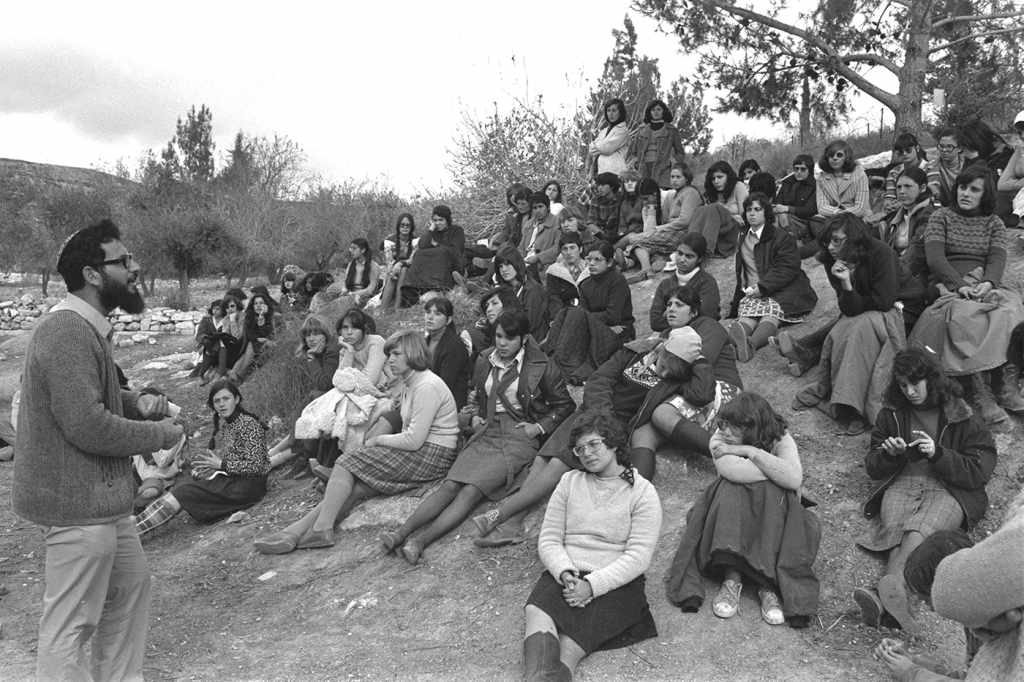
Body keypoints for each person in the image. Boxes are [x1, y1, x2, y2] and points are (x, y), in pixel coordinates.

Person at [14, 219, 184, 679]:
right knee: (71, 623)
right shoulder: (66, 331)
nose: (135, 268)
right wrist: (161, 434)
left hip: (105, 505)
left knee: (131, 587)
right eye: (124, 260)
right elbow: (86, 424)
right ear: (93, 274)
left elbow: (86, 397)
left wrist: (136, 402)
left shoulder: (87, 327)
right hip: (77, 507)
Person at [474, 321, 714, 547]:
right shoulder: (633, 353)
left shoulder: (682, 377)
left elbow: (703, 393)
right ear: (662, 348)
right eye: (664, 365)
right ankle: (514, 524)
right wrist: (600, 414)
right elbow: (600, 379)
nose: (663, 374)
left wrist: (700, 360)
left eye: (670, 372)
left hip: (613, 427)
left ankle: (500, 514)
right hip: (593, 411)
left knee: (557, 464)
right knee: (542, 459)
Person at [380, 310, 573, 565]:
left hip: (517, 438)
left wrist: (538, 428)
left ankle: (420, 542)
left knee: (470, 491)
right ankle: (400, 534)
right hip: (487, 431)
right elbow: (479, 394)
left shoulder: (542, 366)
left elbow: (565, 406)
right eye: (498, 337)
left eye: (509, 338)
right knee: (450, 485)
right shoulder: (485, 359)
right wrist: (475, 415)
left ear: (524, 339)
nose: (502, 343)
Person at [254, 331, 461, 553]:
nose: (390, 359)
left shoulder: (426, 386)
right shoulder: (412, 383)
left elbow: (414, 440)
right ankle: (294, 532)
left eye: (396, 354)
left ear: (413, 353)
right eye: (389, 354)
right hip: (427, 451)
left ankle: (321, 529)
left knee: (346, 461)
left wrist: (378, 441)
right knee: (356, 488)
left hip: (432, 455)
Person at [853, 347, 996, 633]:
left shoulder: (961, 414)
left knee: (919, 531)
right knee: (898, 532)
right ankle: (895, 605)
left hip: (949, 489)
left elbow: (979, 470)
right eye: (903, 385)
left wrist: (939, 454)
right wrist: (890, 454)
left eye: (915, 383)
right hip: (902, 483)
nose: (909, 391)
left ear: (931, 379)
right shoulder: (891, 413)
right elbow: (873, 466)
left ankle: (882, 599)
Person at [522, 411, 662, 680]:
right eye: (580, 448)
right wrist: (564, 571)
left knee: (567, 649)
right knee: (536, 613)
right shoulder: (569, 481)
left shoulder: (642, 492)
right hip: (567, 576)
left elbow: (638, 556)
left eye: (594, 444)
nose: (586, 453)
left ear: (613, 443)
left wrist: (592, 586)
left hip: (616, 583)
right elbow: (550, 538)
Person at [666, 392, 820, 628]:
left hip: (770, 512)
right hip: (734, 508)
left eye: (733, 428)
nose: (725, 431)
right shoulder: (719, 439)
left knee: (778, 494)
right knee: (733, 486)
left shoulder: (780, 436)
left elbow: (792, 477)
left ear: (753, 427)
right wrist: (777, 471)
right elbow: (736, 472)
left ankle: (767, 585)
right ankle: (732, 576)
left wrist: (749, 452)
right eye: (723, 424)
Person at [908, 165, 1024, 425]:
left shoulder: (994, 222)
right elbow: (935, 259)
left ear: (985, 194)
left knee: (1010, 310)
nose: (966, 194)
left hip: (985, 280)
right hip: (950, 282)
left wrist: (988, 282)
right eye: (963, 187)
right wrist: (959, 285)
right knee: (963, 315)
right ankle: (981, 391)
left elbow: (997, 257)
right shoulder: (941, 217)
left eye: (974, 189)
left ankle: (1007, 387)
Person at [877, 492, 1024, 681]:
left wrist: (912, 673)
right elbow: (975, 673)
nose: (930, 608)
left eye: (928, 598)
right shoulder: (979, 617)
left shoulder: (989, 619)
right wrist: (915, 661)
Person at [791, 214, 903, 436]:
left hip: (898, 308)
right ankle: (840, 396)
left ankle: (857, 408)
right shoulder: (833, 260)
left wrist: (853, 295)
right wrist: (846, 284)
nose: (831, 247)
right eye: (828, 241)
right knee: (843, 328)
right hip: (864, 310)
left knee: (859, 330)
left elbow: (884, 300)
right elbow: (848, 307)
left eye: (837, 240)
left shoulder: (881, 253)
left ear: (854, 238)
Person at [136, 380, 270, 536]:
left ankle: (132, 533)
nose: (221, 404)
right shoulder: (230, 424)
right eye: (217, 401)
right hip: (235, 481)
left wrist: (222, 465)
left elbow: (257, 466)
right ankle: (132, 530)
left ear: (237, 399)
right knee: (186, 488)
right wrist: (217, 467)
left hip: (247, 488)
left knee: (184, 492)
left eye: (226, 399)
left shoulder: (248, 424)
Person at [726, 193, 817, 363]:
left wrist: (763, 287)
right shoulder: (742, 236)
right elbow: (743, 273)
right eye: (748, 210)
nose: (752, 213)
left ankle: (750, 345)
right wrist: (738, 301)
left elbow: (788, 267)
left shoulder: (781, 236)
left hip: (781, 290)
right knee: (746, 317)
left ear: (766, 213)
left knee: (770, 314)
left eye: (757, 209)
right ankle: (735, 345)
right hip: (754, 291)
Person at [544, 241, 635, 384]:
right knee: (565, 313)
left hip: (619, 331)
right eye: (589, 259)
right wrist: (586, 320)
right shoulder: (585, 284)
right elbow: (585, 313)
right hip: (596, 328)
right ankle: (552, 355)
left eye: (597, 260)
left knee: (574, 313)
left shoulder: (617, 281)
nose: (591, 264)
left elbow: (613, 316)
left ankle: (559, 361)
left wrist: (586, 319)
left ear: (609, 262)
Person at [266, 315, 342, 469]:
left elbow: (325, 383)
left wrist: (312, 359)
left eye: (316, 333)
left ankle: (268, 462)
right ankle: (267, 457)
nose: (311, 338)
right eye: (308, 335)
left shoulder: (332, 351)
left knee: (299, 434)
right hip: (325, 399)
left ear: (325, 334)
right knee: (295, 434)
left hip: (336, 400)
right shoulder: (322, 351)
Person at [882, 166, 936, 333]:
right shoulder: (896, 217)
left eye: (908, 186)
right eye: (898, 187)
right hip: (898, 272)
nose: (901, 192)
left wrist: (887, 275)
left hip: (917, 278)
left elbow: (916, 255)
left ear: (922, 188)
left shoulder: (931, 215)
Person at [628, 163, 702, 278]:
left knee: (634, 239)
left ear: (686, 178)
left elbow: (685, 221)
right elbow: (667, 220)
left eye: (678, 177)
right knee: (639, 243)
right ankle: (647, 269)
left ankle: (641, 265)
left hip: (683, 232)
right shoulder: (675, 195)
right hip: (672, 231)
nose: (674, 180)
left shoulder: (690, 192)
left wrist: (660, 229)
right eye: (672, 177)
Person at [650, 232, 722, 327]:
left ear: (700, 259)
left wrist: (669, 315)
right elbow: (655, 322)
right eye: (679, 253)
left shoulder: (707, 283)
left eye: (689, 256)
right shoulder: (665, 284)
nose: (682, 259)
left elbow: (707, 318)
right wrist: (688, 314)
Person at [400, 205, 465, 306]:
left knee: (442, 253)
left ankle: (440, 287)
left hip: (452, 265)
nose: (438, 223)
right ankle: (413, 289)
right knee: (419, 254)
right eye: (435, 220)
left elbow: (456, 250)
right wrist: (430, 229)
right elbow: (422, 245)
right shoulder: (433, 232)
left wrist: (437, 245)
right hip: (433, 268)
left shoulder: (457, 230)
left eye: (441, 220)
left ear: (447, 220)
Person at [690, 160, 748, 257]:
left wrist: (729, 215)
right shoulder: (711, 193)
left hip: (733, 231)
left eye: (720, 177)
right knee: (700, 210)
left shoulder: (738, 187)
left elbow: (745, 216)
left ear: (728, 177)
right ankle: (690, 246)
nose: (716, 181)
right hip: (715, 233)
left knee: (714, 207)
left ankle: (704, 249)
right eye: (713, 178)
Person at [626, 99, 687, 189]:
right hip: (643, 169)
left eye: (659, 109)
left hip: (663, 170)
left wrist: (673, 162)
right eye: (653, 110)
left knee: (662, 196)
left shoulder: (671, 130)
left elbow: (680, 153)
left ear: (663, 111)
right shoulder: (641, 130)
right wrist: (634, 162)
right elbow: (632, 151)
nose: (656, 112)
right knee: (644, 195)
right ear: (649, 112)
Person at [493, 245, 549, 341]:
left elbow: (529, 325)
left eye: (508, 264)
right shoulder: (505, 289)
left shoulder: (533, 289)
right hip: (508, 335)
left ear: (516, 264)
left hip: (529, 341)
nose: (504, 270)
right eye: (500, 266)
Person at [423, 296, 471, 408]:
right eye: (428, 312)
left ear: (448, 320)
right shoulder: (426, 341)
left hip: (447, 405)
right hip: (427, 397)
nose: (430, 317)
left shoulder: (454, 345)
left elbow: (445, 385)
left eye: (437, 314)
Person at [775, 153, 822, 258]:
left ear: (809, 170)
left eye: (803, 169)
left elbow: (810, 210)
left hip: (805, 221)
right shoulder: (787, 183)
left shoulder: (815, 186)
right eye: (796, 169)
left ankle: (793, 244)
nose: (799, 172)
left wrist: (787, 209)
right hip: (785, 219)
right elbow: (779, 201)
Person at [228, 290, 278, 383]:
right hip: (252, 345)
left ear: (266, 304)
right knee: (252, 345)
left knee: (252, 346)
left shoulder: (273, 317)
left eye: (261, 303)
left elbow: (270, 334)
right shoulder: (249, 317)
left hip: (272, 344)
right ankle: (236, 376)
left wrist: (262, 318)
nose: (258, 305)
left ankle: (238, 376)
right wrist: (260, 320)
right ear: (252, 306)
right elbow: (251, 335)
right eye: (255, 303)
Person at [817, 139, 872, 219]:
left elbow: (860, 208)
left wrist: (843, 214)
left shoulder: (860, 174)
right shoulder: (821, 178)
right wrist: (837, 212)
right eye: (831, 155)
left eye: (839, 155)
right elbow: (822, 207)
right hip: (833, 216)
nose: (834, 158)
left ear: (847, 157)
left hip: (858, 218)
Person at [544, 231, 589, 322]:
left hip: (589, 316)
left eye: (572, 248)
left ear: (580, 249)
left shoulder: (590, 269)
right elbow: (554, 299)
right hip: (564, 317)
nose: (569, 252)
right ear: (561, 252)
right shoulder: (554, 271)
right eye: (565, 249)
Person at [519, 191, 561, 279]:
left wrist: (538, 257)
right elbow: (521, 248)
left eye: (540, 206)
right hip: (526, 263)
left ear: (547, 207)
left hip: (544, 266)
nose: (538, 210)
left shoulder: (557, 222)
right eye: (534, 208)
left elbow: (558, 248)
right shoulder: (528, 224)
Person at [882, 132, 928, 212]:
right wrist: (888, 203)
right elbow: (890, 196)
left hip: (923, 209)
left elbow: (931, 194)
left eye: (908, 150)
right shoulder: (894, 172)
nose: (904, 154)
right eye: (900, 152)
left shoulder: (929, 168)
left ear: (917, 148)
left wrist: (903, 204)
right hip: (897, 211)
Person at [588, 98, 630, 177]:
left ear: (620, 112)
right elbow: (591, 149)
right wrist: (599, 147)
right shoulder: (603, 131)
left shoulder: (623, 131)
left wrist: (596, 145)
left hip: (614, 171)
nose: (611, 114)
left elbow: (607, 149)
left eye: (614, 111)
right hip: (599, 170)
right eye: (608, 110)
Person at [927, 125, 963, 208]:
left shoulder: (968, 167)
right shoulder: (931, 167)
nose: (944, 150)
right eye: (941, 146)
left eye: (949, 147)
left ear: (959, 148)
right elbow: (934, 194)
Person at [191, 298, 225, 381]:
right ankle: (203, 371)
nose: (215, 311)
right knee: (206, 356)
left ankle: (218, 371)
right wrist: (205, 339)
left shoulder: (225, 320)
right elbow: (199, 334)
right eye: (213, 309)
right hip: (208, 346)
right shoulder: (207, 320)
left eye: (218, 309)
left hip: (221, 347)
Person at [585, 172, 622, 243]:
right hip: (601, 236)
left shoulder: (621, 199)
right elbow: (590, 223)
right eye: (598, 185)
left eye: (603, 185)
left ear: (612, 186)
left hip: (617, 236)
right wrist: (602, 236)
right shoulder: (596, 200)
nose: (599, 188)